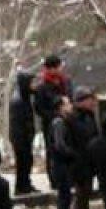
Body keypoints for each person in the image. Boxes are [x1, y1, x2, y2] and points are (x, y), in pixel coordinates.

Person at [32, 55, 69, 189]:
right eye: (59, 66)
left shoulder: (65, 82)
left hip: (66, 121)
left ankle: (67, 177)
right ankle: (54, 179)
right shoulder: (42, 87)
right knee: (53, 150)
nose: (61, 69)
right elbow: (39, 108)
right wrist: (55, 113)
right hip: (51, 123)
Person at [70, 87, 101, 209]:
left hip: (90, 159)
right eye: (89, 100)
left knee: (87, 190)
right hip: (79, 160)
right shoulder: (74, 117)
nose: (92, 102)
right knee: (81, 191)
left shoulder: (89, 115)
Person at [50, 97, 80, 209]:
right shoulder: (59, 123)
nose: (71, 106)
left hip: (64, 164)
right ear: (61, 107)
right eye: (68, 103)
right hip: (61, 165)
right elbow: (60, 145)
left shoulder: (65, 122)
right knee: (64, 197)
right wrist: (73, 153)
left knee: (67, 197)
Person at [8, 71, 38, 196]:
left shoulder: (24, 97)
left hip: (24, 136)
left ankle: (25, 183)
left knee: (27, 161)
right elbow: (18, 123)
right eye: (31, 83)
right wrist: (24, 138)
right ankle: (21, 186)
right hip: (20, 137)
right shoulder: (18, 101)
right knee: (23, 162)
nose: (33, 85)